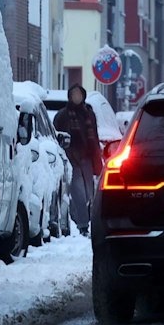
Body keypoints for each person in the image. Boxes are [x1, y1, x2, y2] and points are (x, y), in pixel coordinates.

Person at [53, 84, 102, 235]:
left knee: (89, 193)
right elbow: (57, 137)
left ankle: (84, 218)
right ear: (70, 96)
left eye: (79, 94)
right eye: (74, 94)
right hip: (71, 158)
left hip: (87, 157)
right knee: (78, 192)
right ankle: (82, 225)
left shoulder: (89, 114)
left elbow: (94, 136)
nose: (77, 97)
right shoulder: (63, 115)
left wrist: (97, 155)